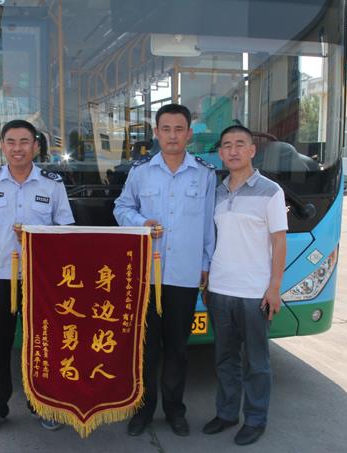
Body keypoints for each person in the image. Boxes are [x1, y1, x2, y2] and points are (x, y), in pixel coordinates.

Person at [0, 119, 75, 435]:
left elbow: (66, 233)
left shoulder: (52, 185)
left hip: (39, 279)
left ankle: (42, 405)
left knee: (40, 345)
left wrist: (37, 239)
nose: (17, 148)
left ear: (36, 147)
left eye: (24, 142)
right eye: (11, 142)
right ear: (2, 146)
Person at [114, 104, 216, 437]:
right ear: (156, 133)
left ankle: (174, 410)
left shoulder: (204, 174)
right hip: (147, 277)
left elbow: (208, 225)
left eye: (179, 129)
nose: (172, 136)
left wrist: (205, 264)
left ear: (189, 134)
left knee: (177, 349)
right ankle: (142, 410)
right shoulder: (141, 172)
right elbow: (121, 207)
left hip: (184, 276)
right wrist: (140, 222)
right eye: (166, 129)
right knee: (145, 349)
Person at [201, 125, 287, 446]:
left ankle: (255, 419)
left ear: (252, 150)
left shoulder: (270, 191)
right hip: (220, 290)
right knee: (225, 359)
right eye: (227, 145)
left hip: (254, 294)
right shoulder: (218, 192)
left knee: (256, 362)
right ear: (220, 153)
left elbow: (279, 242)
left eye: (240, 144)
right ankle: (226, 414)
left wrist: (274, 287)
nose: (233, 150)